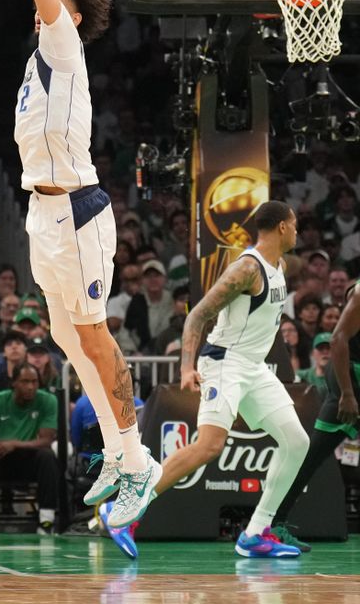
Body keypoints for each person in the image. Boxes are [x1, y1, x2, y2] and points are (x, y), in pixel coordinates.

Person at [0, 0, 160, 532]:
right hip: (42, 212)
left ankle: (137, 459)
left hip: (80, 212)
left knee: (95, 336)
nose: (39, 1)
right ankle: (120, 458)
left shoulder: (61, 43)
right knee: (67, 338)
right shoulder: (37, 64)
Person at [105, 201, 309, 558]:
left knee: (296, 441)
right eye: (294, 224)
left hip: (254, 366)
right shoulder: (247, 269)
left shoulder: (281, 265)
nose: (297, 231)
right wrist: (186, 367)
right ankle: (120, 513)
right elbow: (196, 316)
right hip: (224, 362)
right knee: (209, 446)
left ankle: (255, 533)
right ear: (281, 227)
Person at [270, 277, 360, 550]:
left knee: (311, 455)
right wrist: (346, 393)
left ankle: (272, 523)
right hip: (350, 379)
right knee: (311, 456)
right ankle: (272, 525)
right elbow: (338, 338)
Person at [0, 362, 59, 534]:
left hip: (30, 460)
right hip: (2, 460)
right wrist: (4, 446)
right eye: (25, 382)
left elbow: (46, 440)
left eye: (34, 382)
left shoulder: (49, 400)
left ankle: (46, 520)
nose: (30, 387)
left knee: (47, 455)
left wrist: (13, 444)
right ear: (13, 383)